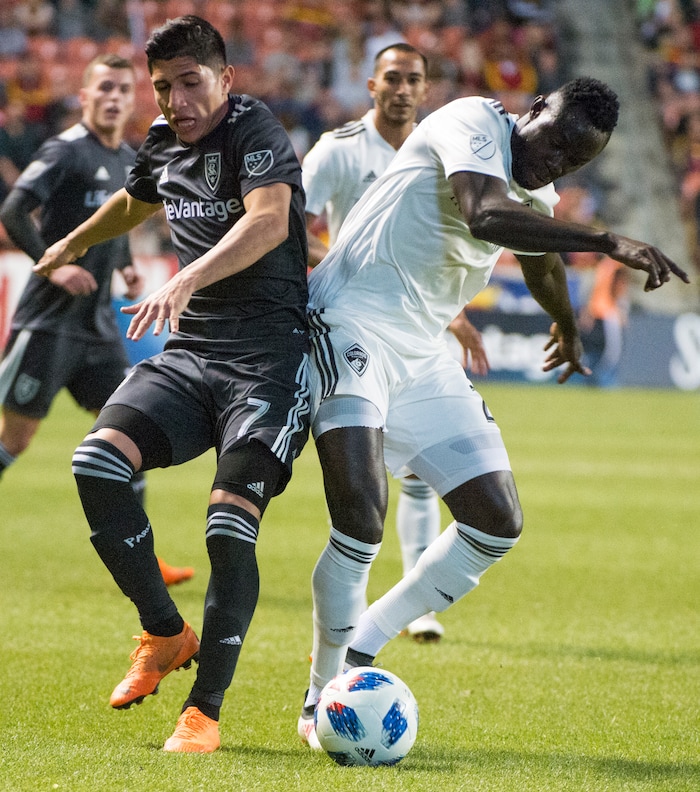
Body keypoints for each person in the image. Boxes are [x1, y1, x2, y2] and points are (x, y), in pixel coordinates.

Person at [297, 76, 689, 747]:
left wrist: (565, 324)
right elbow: (482, 214)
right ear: (532, 110)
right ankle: (319, 699)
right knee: (361, 520)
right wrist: (605, 241)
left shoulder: (535, 190)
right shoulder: (471, 121)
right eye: (556, 142)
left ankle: (364, 644)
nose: (554, 163)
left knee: (496, 522)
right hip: (350, 320)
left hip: (420, 354)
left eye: (573, 162)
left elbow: (538, 263)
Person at [34, 16, 310, 753]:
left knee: (227, 528)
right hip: (192, 357)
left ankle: (205, 712)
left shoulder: (255, 132)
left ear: (225, 77)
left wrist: (185, 276)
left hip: (267, 361)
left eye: (190, 82)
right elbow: (137, 199)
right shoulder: (161, 138)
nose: (177, 100)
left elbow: (271, 220)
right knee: (95, 462)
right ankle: (164, 632)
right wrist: (70, 241)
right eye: (164, 87)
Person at [302, 42, 490, 643]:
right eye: (393, 78)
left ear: (427, 89)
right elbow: (286, 224)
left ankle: (414, 595)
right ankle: (343, 639)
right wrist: (345, 260)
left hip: (412, 324)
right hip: (350, 319)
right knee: (360, 498)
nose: (403, 88)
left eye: (414, 79)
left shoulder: (441, 152)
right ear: (371, 85)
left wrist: (453, 317)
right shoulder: (339, 151)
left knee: (418, 474)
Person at [0, 54, 192, 588]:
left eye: (123, 90)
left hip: (98, 328)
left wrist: (127, 265)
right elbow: (14, 211)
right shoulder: (64, 150)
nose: (113, 97)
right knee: (14, 441)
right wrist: (54, 266)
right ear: (85, 96)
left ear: (134, 101)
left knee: (129, 431)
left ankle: (144, 562)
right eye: (104, 87)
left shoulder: (130, 157)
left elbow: (117, 224)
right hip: (48, 324)